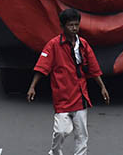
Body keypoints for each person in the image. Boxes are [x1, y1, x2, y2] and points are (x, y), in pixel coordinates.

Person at [27, 9, 109, 155]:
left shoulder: (83, 45)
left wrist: (102, 87)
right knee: (61, 131)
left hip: (80, 96)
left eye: (76, 25)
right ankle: (55, 152)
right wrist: (32, 87)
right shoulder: (53, 45)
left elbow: (94, 68)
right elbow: (42, 67)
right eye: (71, 25)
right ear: (63, 26)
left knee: (82, 135)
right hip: (62, 96)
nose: (74, 28)